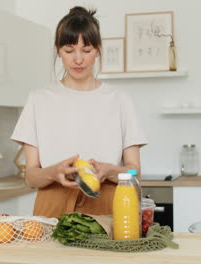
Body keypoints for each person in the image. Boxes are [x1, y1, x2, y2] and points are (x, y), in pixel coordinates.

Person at [11, 6, 148, 218]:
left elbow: (135, 172)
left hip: (108, 209)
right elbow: (31, 176)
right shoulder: (38, 99)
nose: (78, 59)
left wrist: (110, 171)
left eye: (86, 50)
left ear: (98, 50)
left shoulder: (120, 100)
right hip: (51, 208)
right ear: (58, 51)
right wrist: (53, 172)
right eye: (69, 50)